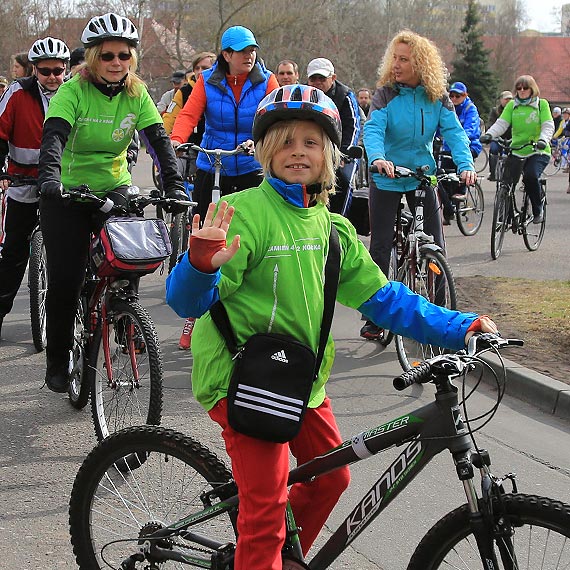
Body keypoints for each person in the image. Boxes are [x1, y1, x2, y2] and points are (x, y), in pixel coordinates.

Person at [165, 83, 498, 570]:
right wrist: (198, 265)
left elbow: (384, 299)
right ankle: (265, 551)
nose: (298, 151)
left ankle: (280, 557)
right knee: (265, 511)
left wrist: (459, 326)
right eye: (285, 141)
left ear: (330, 155)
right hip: (243, 379)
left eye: (312, 142)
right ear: (264, 151)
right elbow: (186, 302)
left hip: (299, 379)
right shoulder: (246, 215)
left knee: (332, 478)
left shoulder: (332, 228)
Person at [37, 12, 188, 392]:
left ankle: (123, 317)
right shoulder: (72, 91)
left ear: (132, 58)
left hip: (114, 186)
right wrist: (50, 180)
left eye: (123, 55)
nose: (116, 63)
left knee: (129, 260)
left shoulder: (137, 94)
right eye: (107, 56)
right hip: (68, 191)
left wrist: (175, 186)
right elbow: (53, 138)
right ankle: (57, 360)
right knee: (66, 280)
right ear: (92, 59)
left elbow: (158, 142)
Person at [361, 29, 476, 340]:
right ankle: (375, 315)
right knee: (381, 246)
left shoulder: (436, 96)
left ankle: (440, 313)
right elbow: (373, 130)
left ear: (421, 63)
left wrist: (466, 166)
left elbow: (454, 134)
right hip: (387, 175)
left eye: (404, 59)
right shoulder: (385, 94)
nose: (396, 64)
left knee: (436, 240)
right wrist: (378, 158)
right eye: (394, 58)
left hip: (422, 175)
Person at [171, 25, 278, 351]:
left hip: (248, 165)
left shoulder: (266, 81)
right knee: (203, 233)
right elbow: (190, 114)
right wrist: (177, 140)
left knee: (249, 232)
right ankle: (194, 309)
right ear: (227, 55)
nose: (250, 56)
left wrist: (258, 141)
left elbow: (273, 114)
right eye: (242, 51)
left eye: (252, 50)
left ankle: (250, 301)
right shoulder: (208, 80)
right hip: (211, 163)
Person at [0, 37, 69, 341]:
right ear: (34, 70)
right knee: (13, 253)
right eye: (45, 71)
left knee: (74, 253)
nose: (52, 77)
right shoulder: (17, 93)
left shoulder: (74, 92)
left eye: (58, 70)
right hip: (22, 181)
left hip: (62, 183)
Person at [481, 74, 553, 224]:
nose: (521, 90)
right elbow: (502, 123)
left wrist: (543, 140)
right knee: (506, 182)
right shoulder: (512, 105)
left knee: (530, 176)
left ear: (532, 89)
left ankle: (537, 208)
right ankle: (506, 215)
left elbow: (548, 125)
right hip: (517, 149)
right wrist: (489, 134)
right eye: (519, 88)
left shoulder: (542, 104)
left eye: (525, 88)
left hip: (537, 150)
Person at [307, 57, 361, 214]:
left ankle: (340, 220)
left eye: (322, 78)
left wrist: (344, 154)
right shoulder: (304, 94)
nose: (317, 82)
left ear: (333, 78)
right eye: (313, 78)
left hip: (340, 150)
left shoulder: (345, 96)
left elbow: (353, 126)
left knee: (343, 181)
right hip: (315, 147)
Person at [438, 81, 482, 222]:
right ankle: (447, 205)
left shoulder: (470, 108)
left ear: (465, 95)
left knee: (460, 168)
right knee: (443, 176)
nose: (455, 98)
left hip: (469, 144)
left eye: (458, 95)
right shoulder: (446, 107)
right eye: (452, 95)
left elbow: (471, 127)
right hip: (447, 147)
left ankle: (461, 190)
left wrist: (458, 137)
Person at [162, 51, 216, 134]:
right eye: (197, 68)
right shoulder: (183, 92)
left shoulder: (223, 90)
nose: (200, 72)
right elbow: (170, 117)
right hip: (190, 143)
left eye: (205, 68)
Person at [486, 90, 513, 181]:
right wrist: (490, 135)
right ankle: (493, 173)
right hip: (497, 137)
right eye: (506, 99)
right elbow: (491, 123)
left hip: (511, 138)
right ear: (501, 100)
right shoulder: (495, 111)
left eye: (510, 99)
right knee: (493, 150)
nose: (508, 101)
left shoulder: (515, 111)